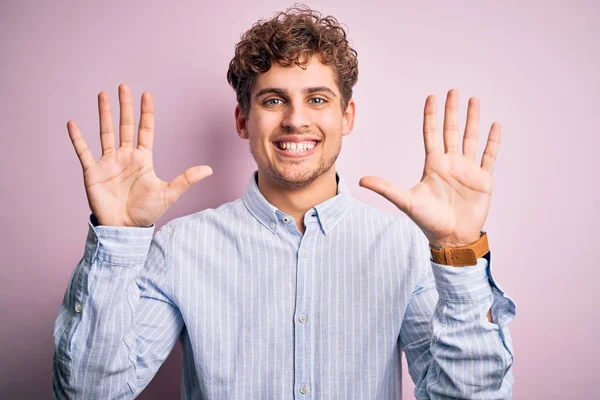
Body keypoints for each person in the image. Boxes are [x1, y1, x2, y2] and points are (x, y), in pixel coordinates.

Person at [53, 4, 516, 399]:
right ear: (242, 119)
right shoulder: (180, 247)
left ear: (346, 116)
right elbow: (93, 392)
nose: (296, 120)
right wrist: (117, 240)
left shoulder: (405, 246)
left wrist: (459, 251)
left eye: (317, 98)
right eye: (273, 100)